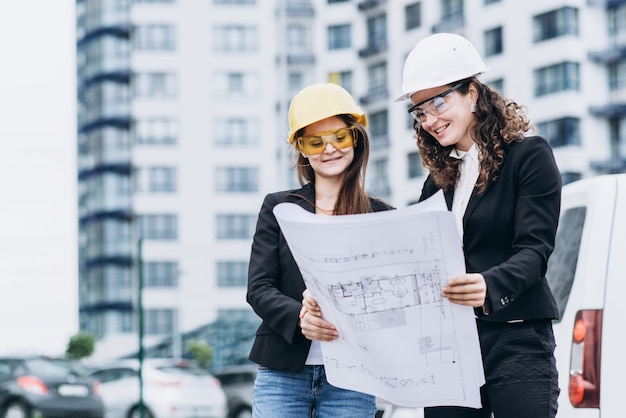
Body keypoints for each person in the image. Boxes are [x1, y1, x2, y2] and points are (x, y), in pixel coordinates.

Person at [394, 32, 562, 417]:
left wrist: (489, 284)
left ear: (472, 92)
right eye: (420, 111)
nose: (430, 120)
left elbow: (535, 252)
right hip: (450, 348)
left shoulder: (529, 157)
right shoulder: (438, 181)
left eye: (439, 102)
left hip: (515, 337)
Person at [246, 82, 393, 418]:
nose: (329, 149)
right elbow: (258, 288)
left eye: (339, 137)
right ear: (301, 149)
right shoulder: (279, 208)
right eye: (315, 141)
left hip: (355, 376)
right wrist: (300, 316)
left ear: (356, 138)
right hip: (283, 372)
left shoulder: (382, 216)